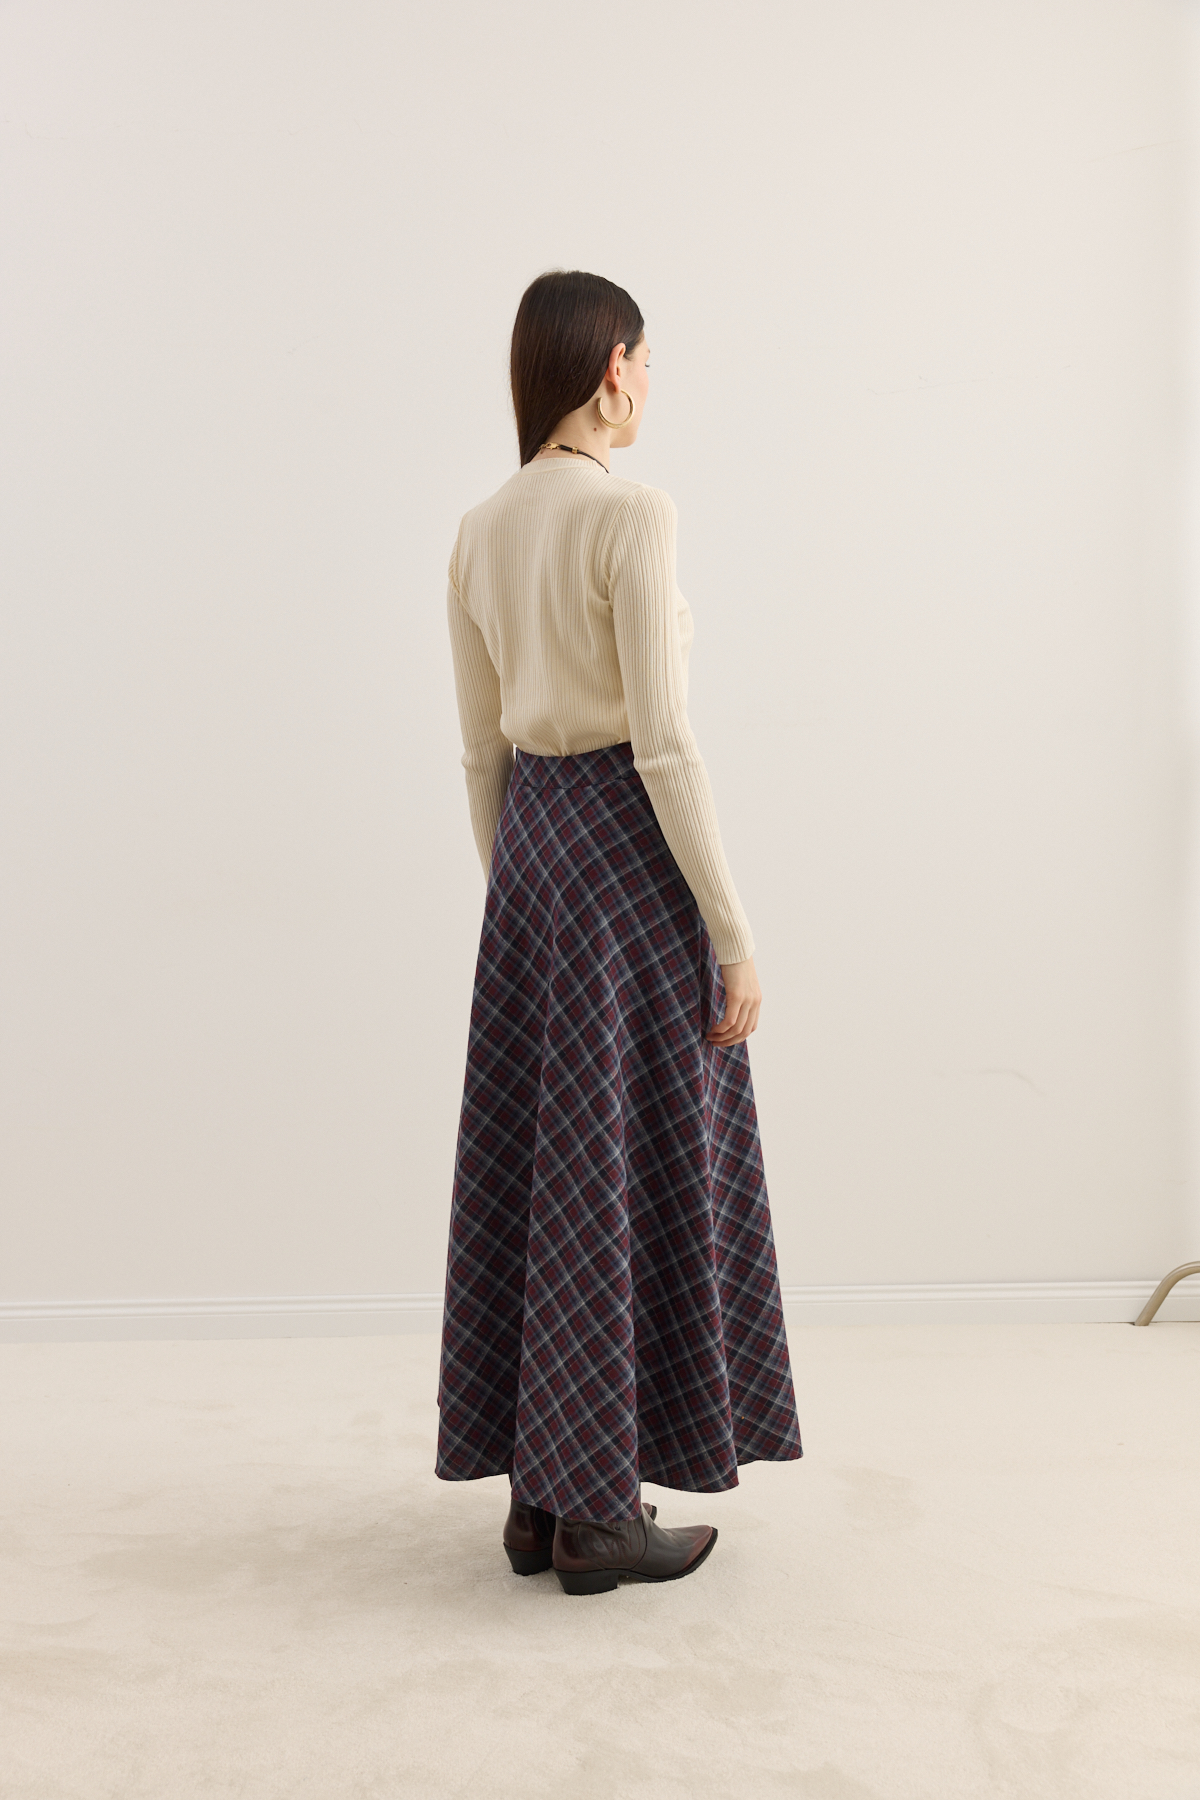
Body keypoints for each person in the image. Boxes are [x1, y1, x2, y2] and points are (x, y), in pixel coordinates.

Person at [436, 269, 802, 1596]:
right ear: (611, 369)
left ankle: (543, 1500)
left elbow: (481, 753)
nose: (649, 384)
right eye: (646, 360)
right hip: (624, 852)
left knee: (553, 1159)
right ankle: (600, 1516)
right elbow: (665, 744)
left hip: (533, 854)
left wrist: (518, 908)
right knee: (630, 1157)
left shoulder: (479, 529)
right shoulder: (632, 514)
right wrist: (732, 931)